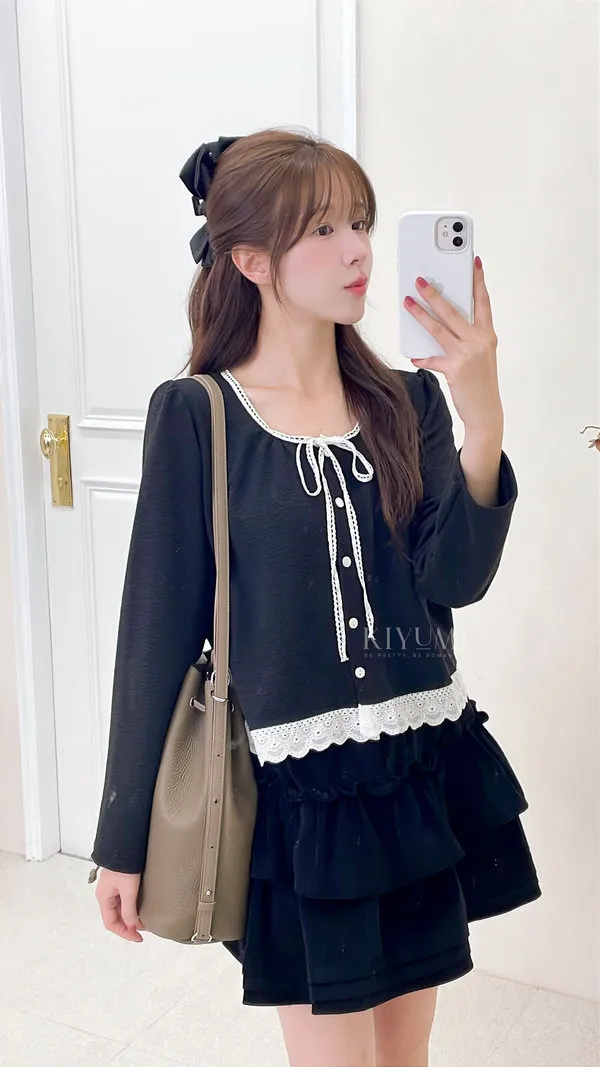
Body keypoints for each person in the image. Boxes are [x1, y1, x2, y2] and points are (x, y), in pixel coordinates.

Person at [90, 128, 541, 1067]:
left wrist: (483, 416)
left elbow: (455, 580)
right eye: (325, 230)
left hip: (416, 768)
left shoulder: (406, 403)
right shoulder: (199, 414)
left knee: (406, 1054)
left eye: (362, 223)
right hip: (302, 801)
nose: (358, 251)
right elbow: (154, 635)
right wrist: (121, 839)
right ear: (251, 261)